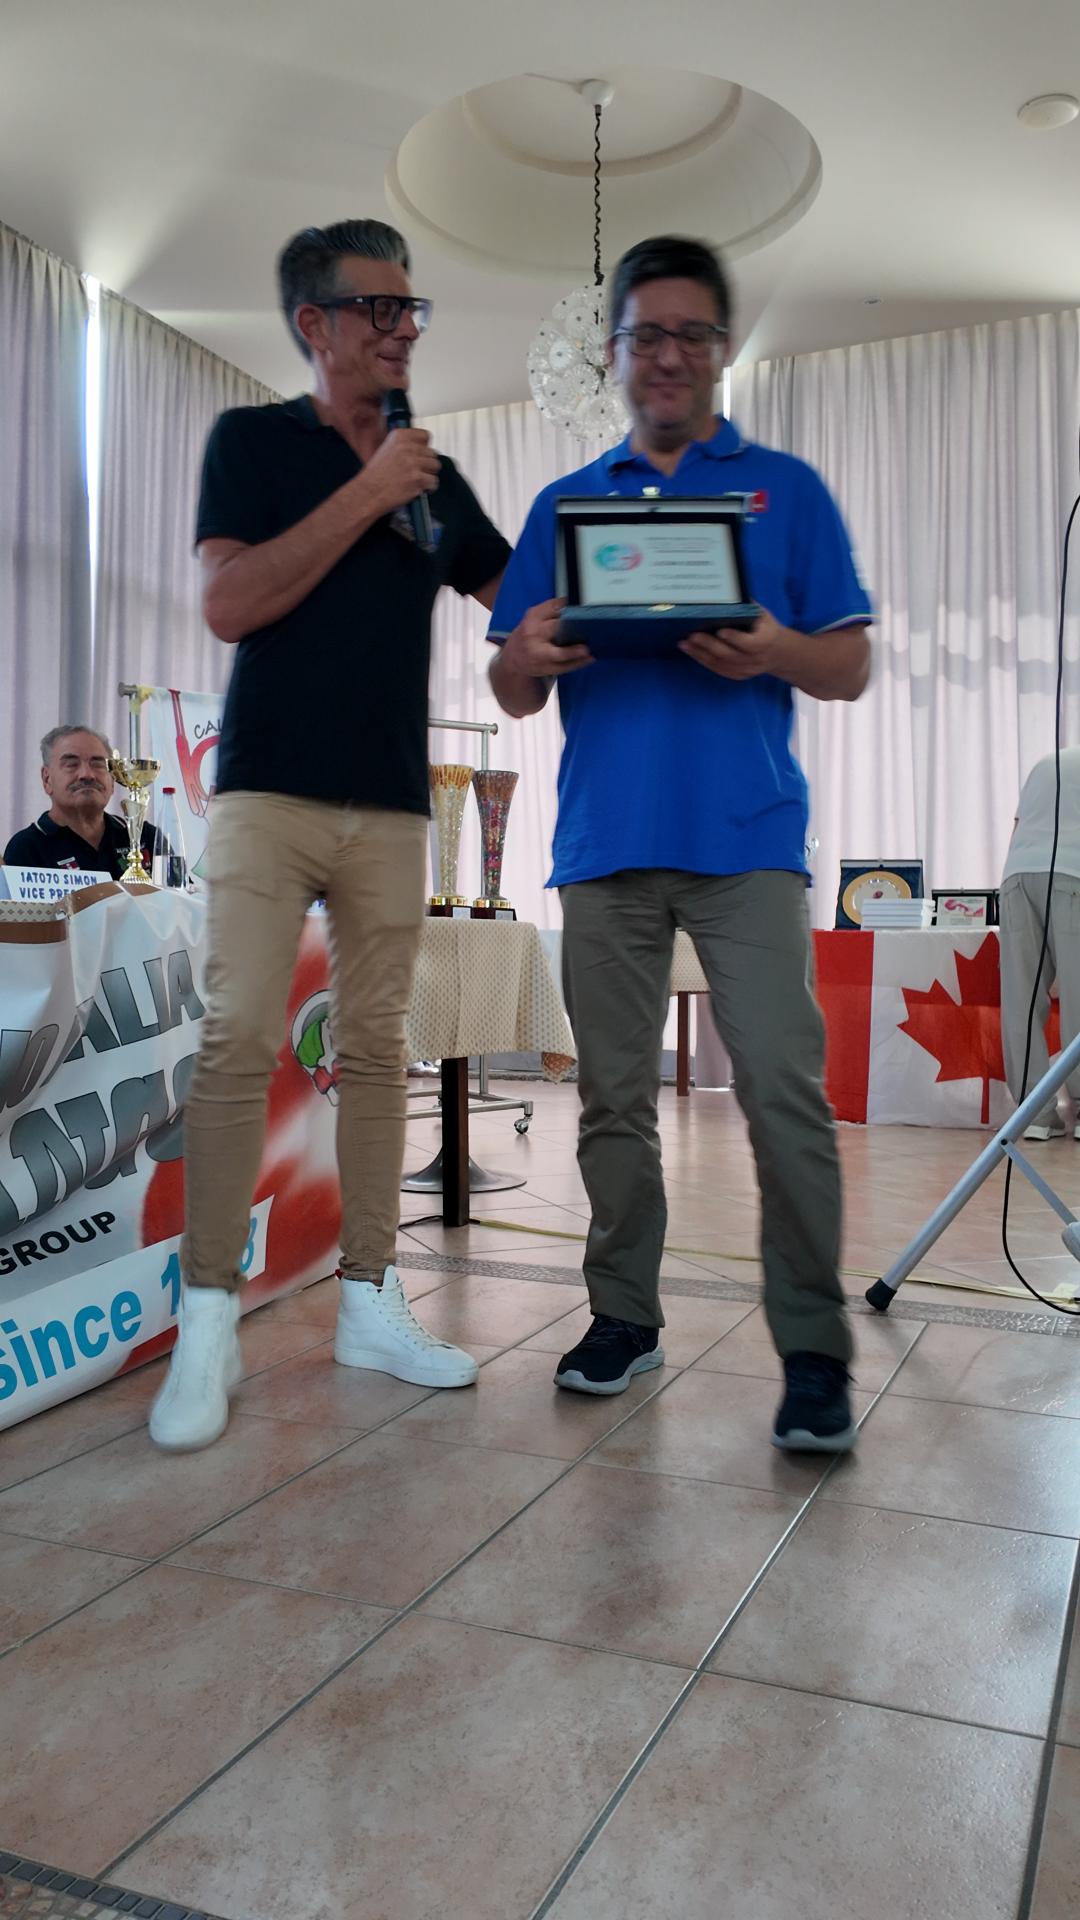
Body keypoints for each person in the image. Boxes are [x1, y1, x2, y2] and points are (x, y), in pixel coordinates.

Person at [488, 235, 872, 1453]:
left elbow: (849, 664)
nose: (667, 355)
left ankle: (812, 1351)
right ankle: (623, 1318)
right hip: (604, 842)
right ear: (613, 352)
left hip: (748, 840)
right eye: (645, 334)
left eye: (691, 334)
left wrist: (775, 650)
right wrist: (524, 653)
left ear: (723, 347)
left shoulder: (786, 491)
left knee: (783, 1093)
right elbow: (512, 685)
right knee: (613, 1099)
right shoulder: (565, 503)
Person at [150, 218, 510, 1452]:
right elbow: (230, 602)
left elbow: (521, 603)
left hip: (394, 806)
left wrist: (623, 590)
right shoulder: (254, 442)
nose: (406, 329)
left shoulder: (433, 475)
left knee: (377, 1049)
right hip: (268, 793)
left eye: (414, 310)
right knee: (238, 1038)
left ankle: (369, 1298)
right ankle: (208, 1319)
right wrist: (368, 493)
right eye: (382, 308)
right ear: (315, 323)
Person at [999, 746, 1080, 1141]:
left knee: (1023, 998)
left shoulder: (1047, 762)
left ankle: (1033, 1113)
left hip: (1017, 876)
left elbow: (1017, 827)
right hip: (1074, 875)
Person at [4, 726, 157, 877]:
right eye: (71, 765)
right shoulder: (26, 848)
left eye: (98, 764)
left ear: (112, 779)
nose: (87, 775)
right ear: (47, 779)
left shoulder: (146, 837)